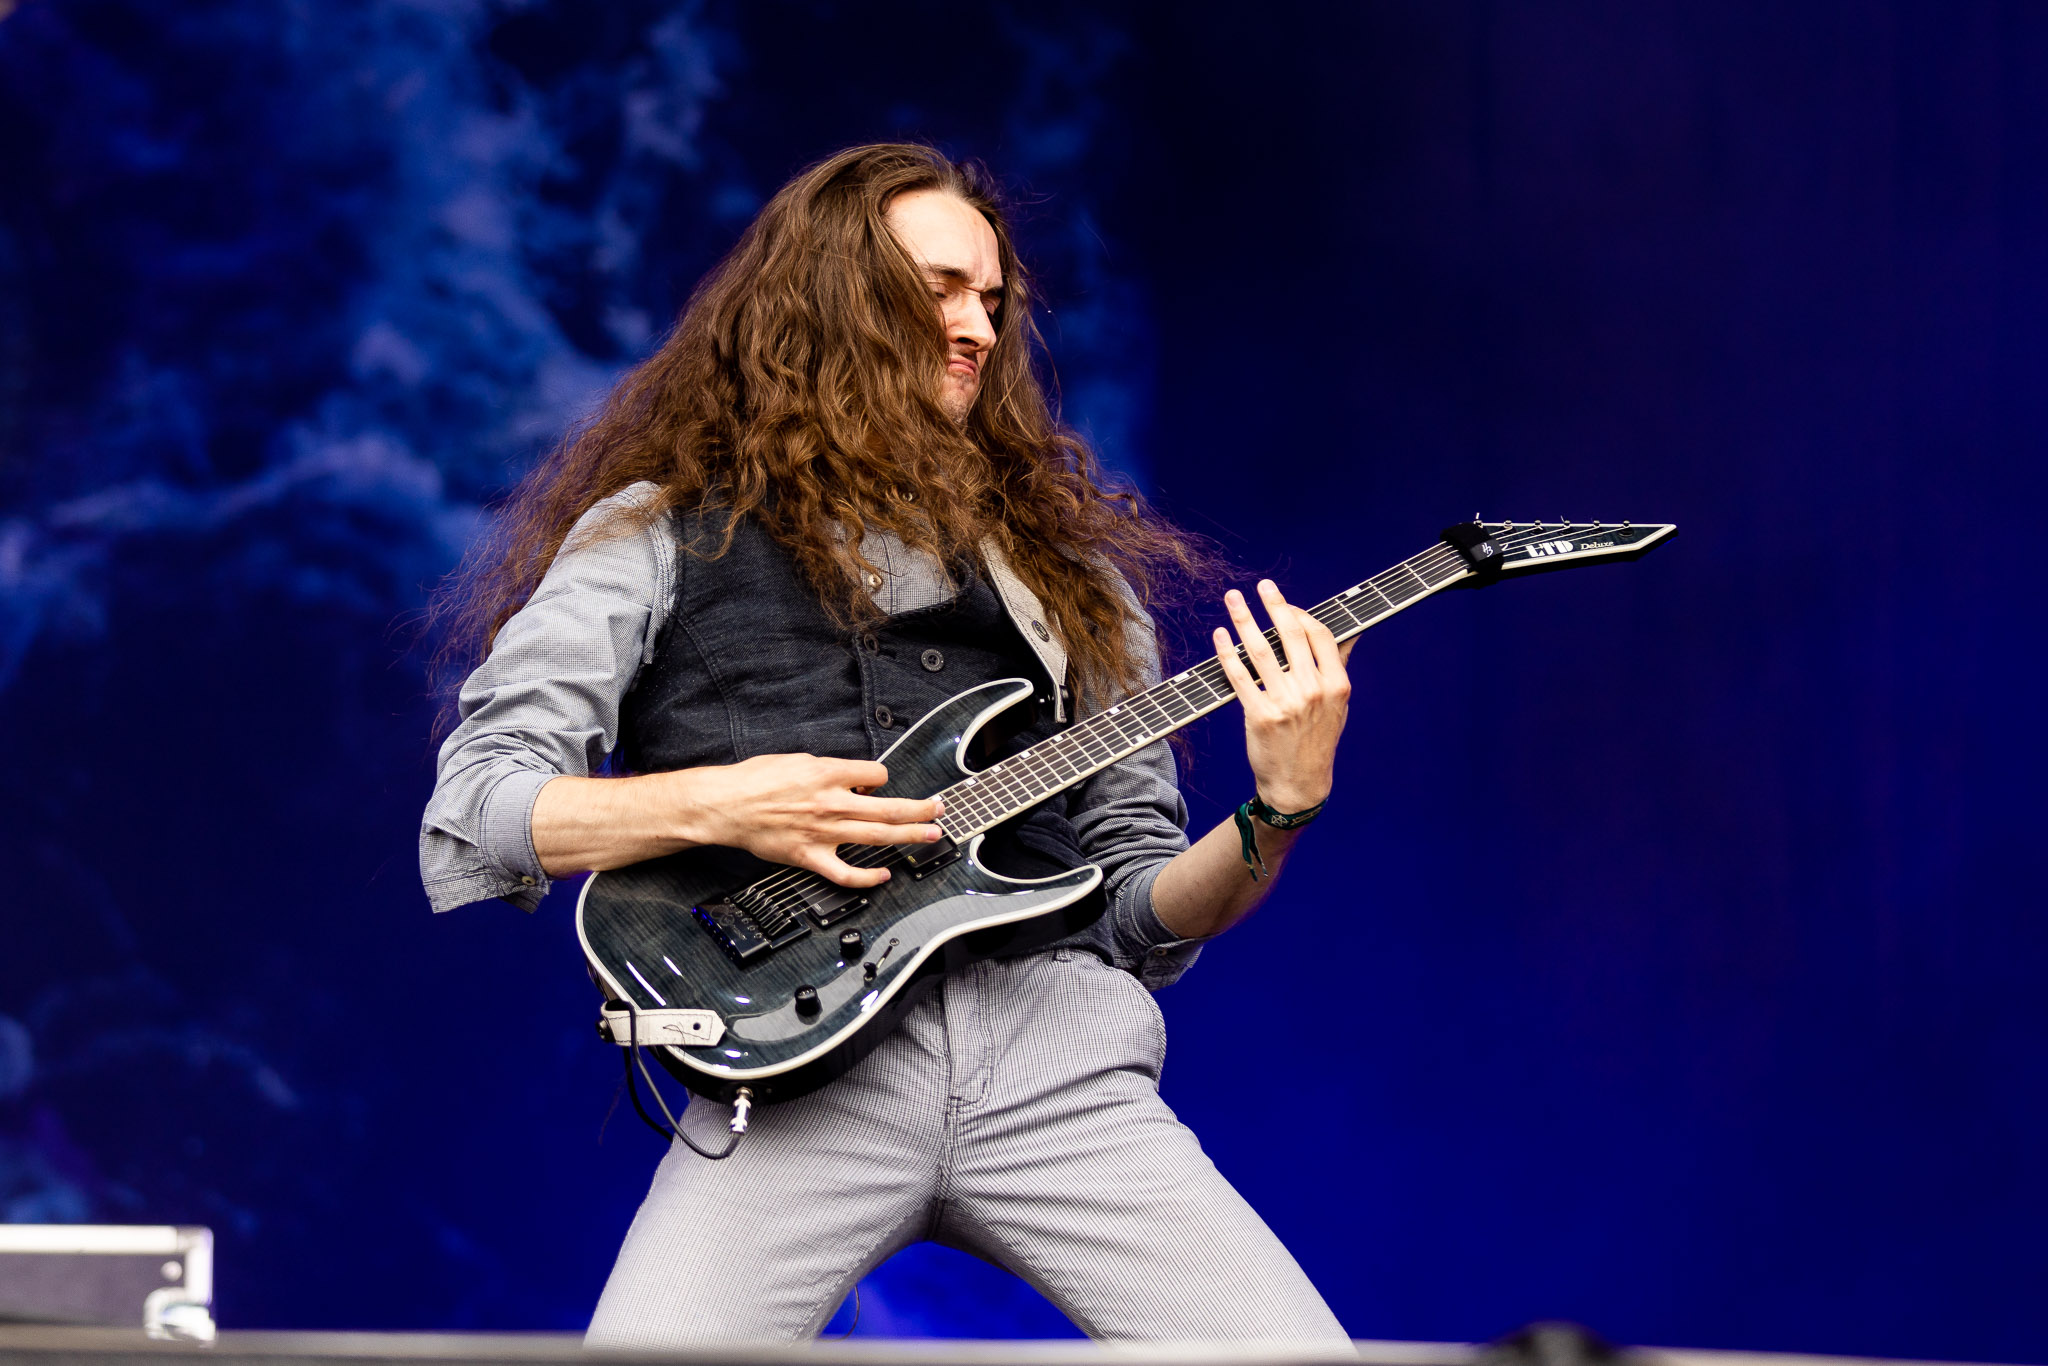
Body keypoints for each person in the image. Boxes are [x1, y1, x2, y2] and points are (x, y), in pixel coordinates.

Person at [420, 144, 1357, 1345]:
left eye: (992, 299)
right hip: (793, 1083)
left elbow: (1136, 914)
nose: (977, 327)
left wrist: (1276, 812)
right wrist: (720, 805)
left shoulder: (1073, 581)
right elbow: (480, 804)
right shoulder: (650, 532)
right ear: (825, 301)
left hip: (1055, 1063)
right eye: (938, 291)